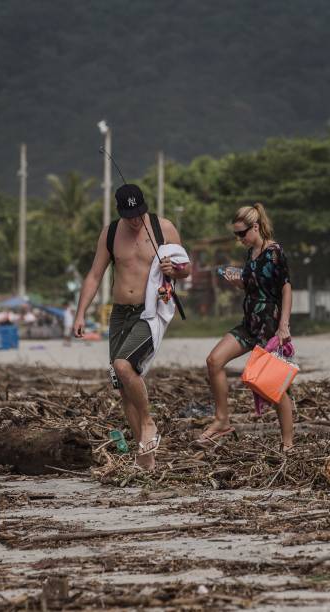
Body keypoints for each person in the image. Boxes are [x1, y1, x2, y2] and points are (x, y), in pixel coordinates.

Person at [73, 184, 190, 470]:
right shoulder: (111, 233)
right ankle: (145, 456)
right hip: (119, 314)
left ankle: (149, 423)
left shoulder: (164, 229)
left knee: (124, 366)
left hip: (150, 311)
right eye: (130, 216)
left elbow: (186, 269)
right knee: (124, 386)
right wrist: (80, 314)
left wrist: (174, 271)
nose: (135, 221)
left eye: (139, 215)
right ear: (120, 213)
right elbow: (94, 275)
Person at [199, 203, 295, 453]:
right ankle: (222, 420)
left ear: (255, 227)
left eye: (242, 233)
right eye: (236, 234)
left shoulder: (274, 252)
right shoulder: (250, 253)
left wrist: (284, 325)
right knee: (214, 361)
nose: (239, 239)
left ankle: (288, 443)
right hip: (249, 323)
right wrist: (238, 282)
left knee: (271, 386)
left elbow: (285, 287)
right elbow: (253, 286)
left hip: (269, 325)